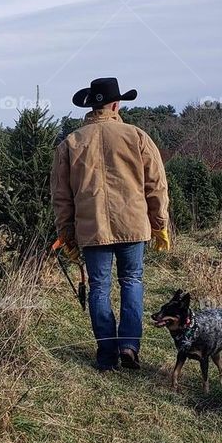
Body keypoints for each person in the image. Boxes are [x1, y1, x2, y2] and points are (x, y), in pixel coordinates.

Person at [50, 76, 170, 371]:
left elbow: (61, 196)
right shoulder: (137, 136)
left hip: (92, 230)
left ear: (91, 106)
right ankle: (129, 345)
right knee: (132, 281)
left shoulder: (71, 143)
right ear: (116, 104)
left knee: (99, 289)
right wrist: (160, 224)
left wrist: (66, 234)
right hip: (133, 225)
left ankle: (106, 355)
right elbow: (156, 185)